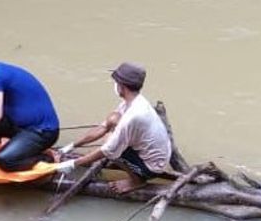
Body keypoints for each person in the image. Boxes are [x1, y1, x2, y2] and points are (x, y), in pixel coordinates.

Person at [53, 62, 172, 191]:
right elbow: (104, 126)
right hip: (150, 151)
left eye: (116, 83)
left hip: (153, 166)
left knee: (111, 145)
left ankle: (137, 181)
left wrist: (72, 164)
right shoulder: (131, 102)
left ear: (122, 86)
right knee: (113, 120)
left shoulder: (134, 115)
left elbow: (107, 150)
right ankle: (131, 164)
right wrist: (70, 147)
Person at [0, 42, 60, 172]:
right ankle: (10, 144)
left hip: (42, 132)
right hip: (21, 125)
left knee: (3, 160)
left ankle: (45, 158)